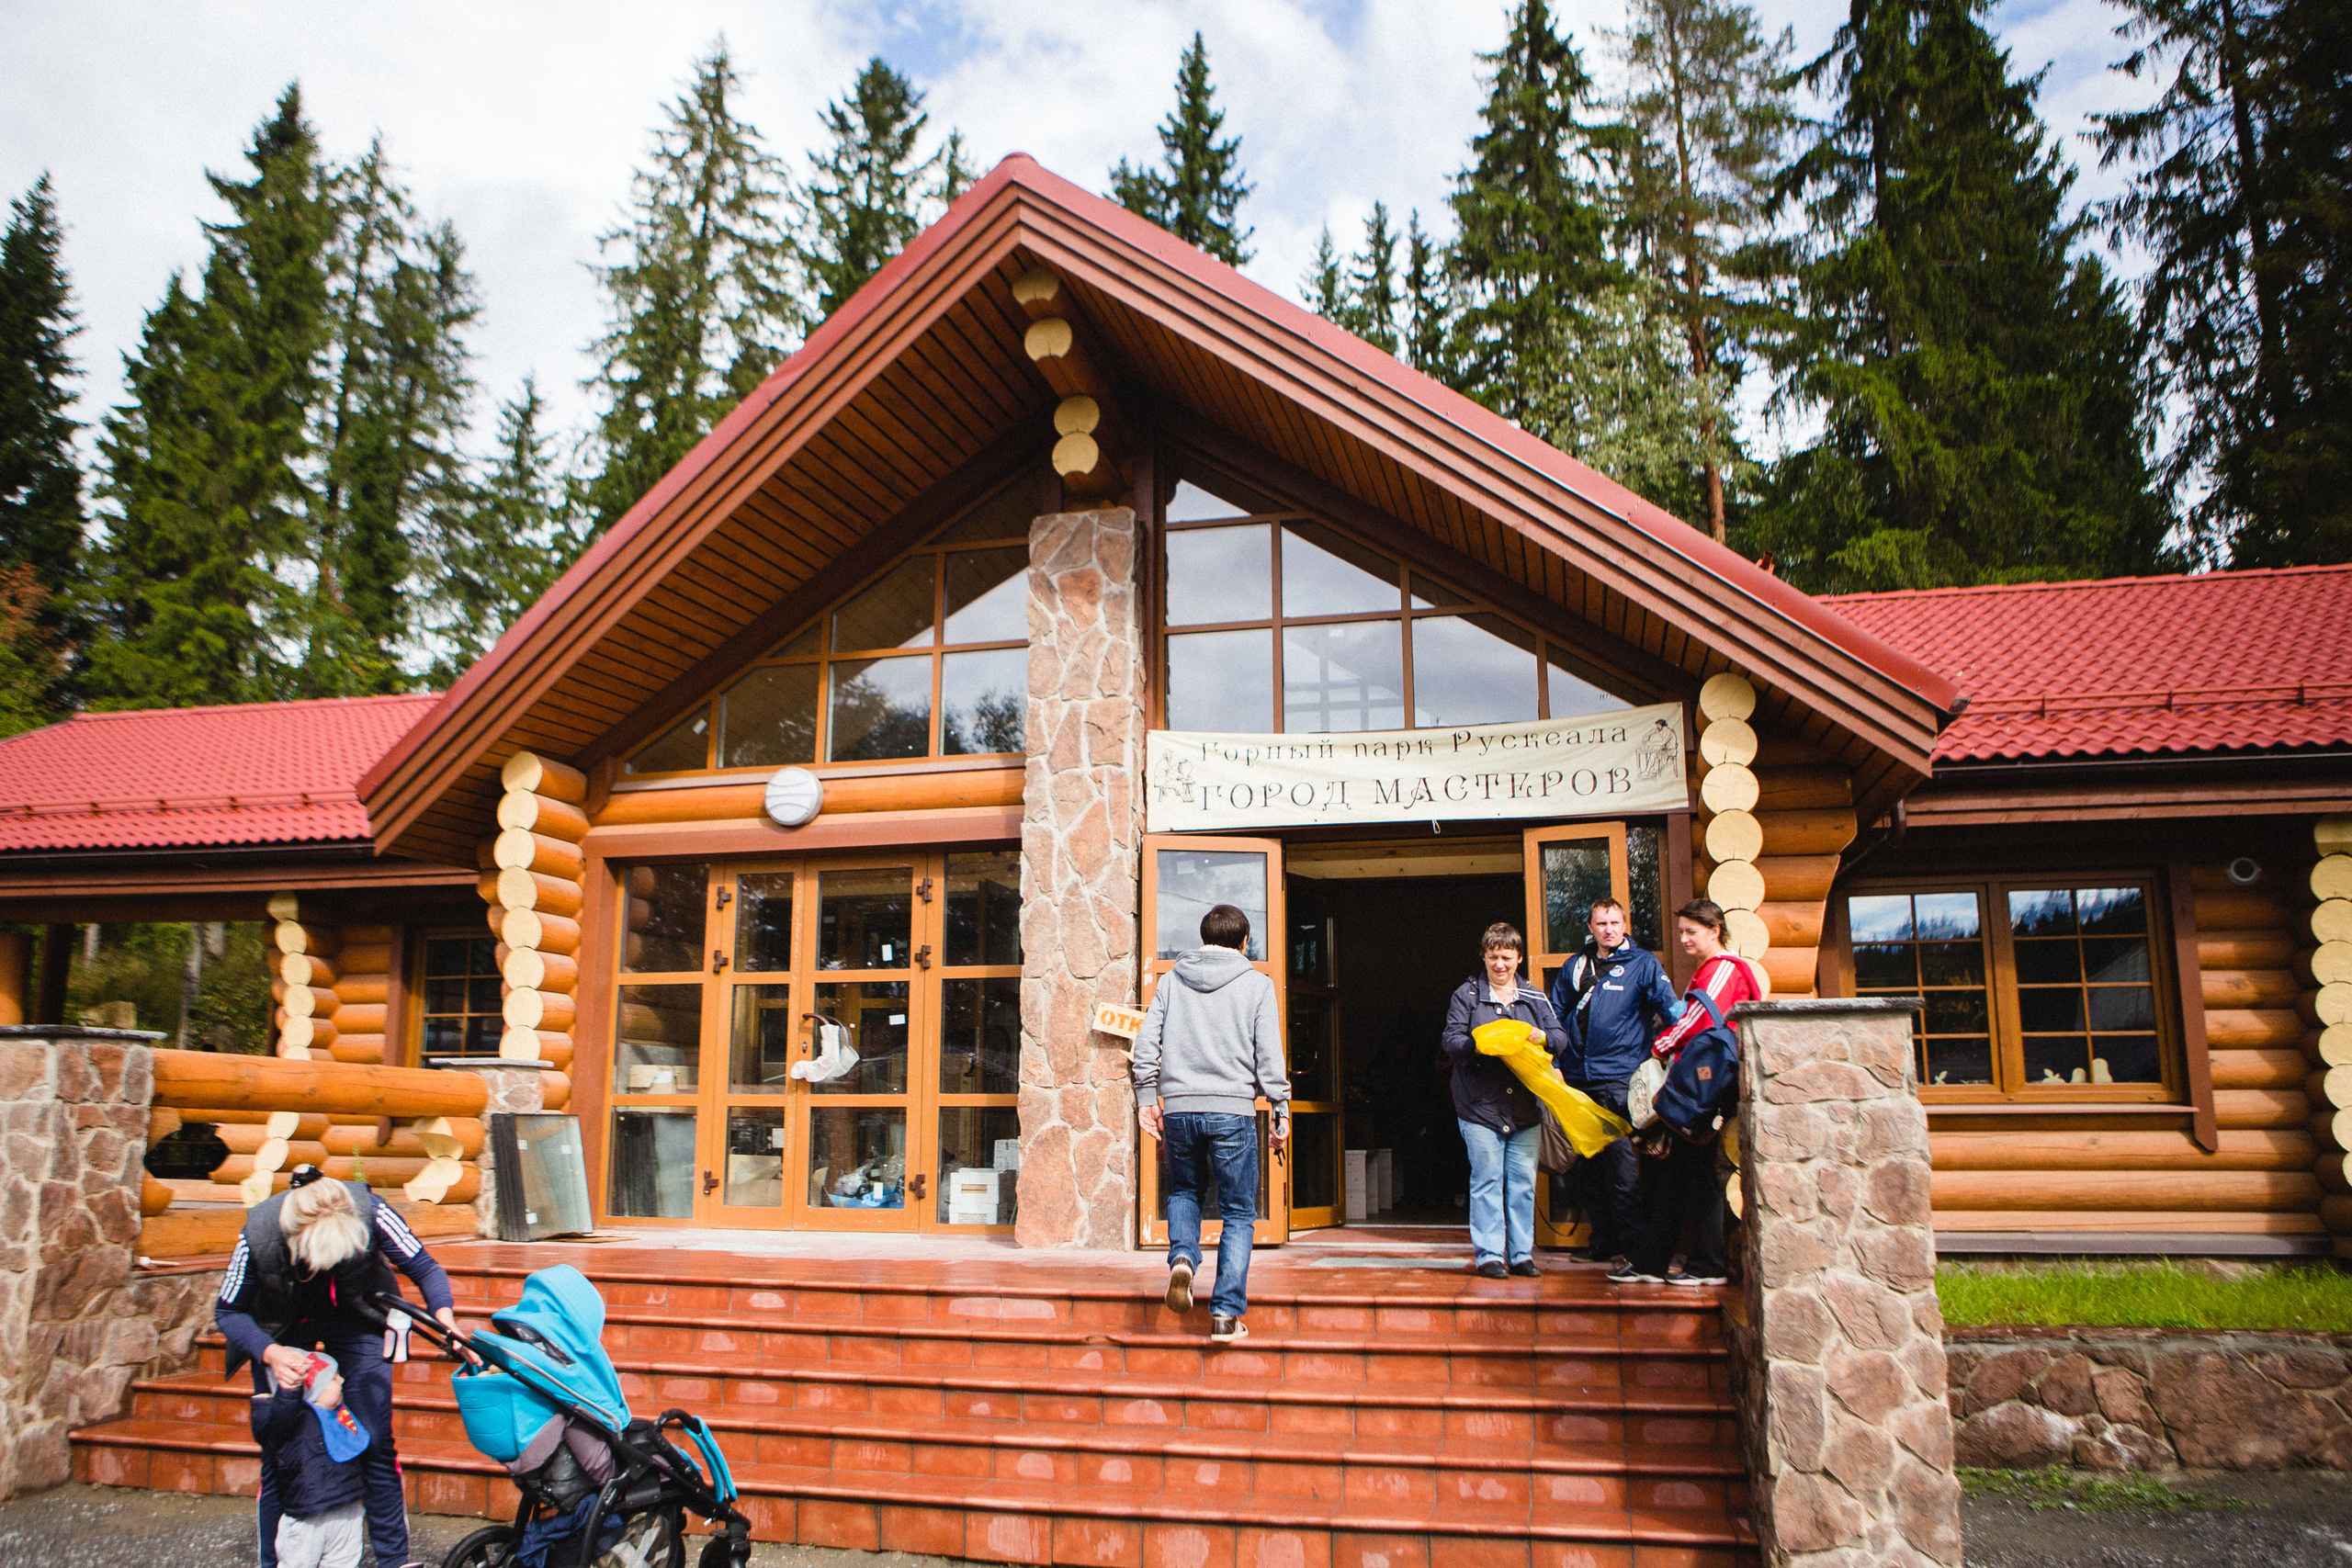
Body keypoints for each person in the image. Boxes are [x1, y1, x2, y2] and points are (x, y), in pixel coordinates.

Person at [217, 1168, 469, 1568]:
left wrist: (445, 1316)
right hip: (282, 1328)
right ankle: (273, 1561)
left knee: (374, 1440)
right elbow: (228, 1311)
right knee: (282, 1452)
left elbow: (425, 1267)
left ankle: (395, 1561)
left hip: (357, 1320)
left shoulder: (370, 1210)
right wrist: (272, 1354)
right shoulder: (258, 1235)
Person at [1133, 902, 1291, 1345]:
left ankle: (1183, 1258)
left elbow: (1146, 1047)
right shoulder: (1257, 985)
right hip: (1233, 1111)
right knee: (1238, 1212)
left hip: (1180, 1109)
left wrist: (1148, 1098)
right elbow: (1269, 1057)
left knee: (1184, 1191)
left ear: (1204, 940)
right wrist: (1280, 1107)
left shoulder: (1171, 982)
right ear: (1244, 943)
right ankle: (1224, 1314)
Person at [1611, 898, 1767, 1288]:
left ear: (1715, 931)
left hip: (1701, 1087)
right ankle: (1658, 1261)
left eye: (1690, 932)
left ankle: (1706, 1264)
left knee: (1693, 1173)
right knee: (1681, 1173)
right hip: (1705, 1084)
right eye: (1680, 931)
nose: (1682, 939)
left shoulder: (1721, 969)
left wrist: (1661, 1045)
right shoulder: (1720, 969)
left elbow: (1699, 1019)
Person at [1549, 897, 1682, 1267]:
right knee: (1589, 1168)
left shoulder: (1643, 965)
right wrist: (1556, 1062)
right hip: (1578, 1081)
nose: (1608, 929)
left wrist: (1675, 1052)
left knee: (1623, 1170)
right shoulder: (1575, 967)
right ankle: (1602, 1243)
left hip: (1620, 1080)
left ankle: (1636, 1252)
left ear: (1625, 926)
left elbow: (1671, 1012)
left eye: (1614, 923)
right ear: (1590, 928)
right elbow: (1553, 1017)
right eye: (1600, 923)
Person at [1442, 922, 1569, 1279]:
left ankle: (1521, 1254)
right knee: (1486, 1180)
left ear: (1518, 958)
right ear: (1484, 956)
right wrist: (1480, 1044)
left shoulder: (1534, 996)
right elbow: (1450, 1040)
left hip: (1525, 1108)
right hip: (1479, 1106)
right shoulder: (1465, 996)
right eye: (1493, 957)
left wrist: (1536, 1035)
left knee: (1523, 1182)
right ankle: (1489, 1256)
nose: (1500, 964)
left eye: (1507, 957)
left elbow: (1560, 1039)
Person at [250, 1354, 365, 1568]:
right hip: (306, 1517)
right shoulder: (293, 1422)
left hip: (347, 1511)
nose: (342, 1381)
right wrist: (289, 1391)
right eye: (333, 1378)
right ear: (313, 1391)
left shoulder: (340, 1413)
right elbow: (276, 1418)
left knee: (345, 1562)